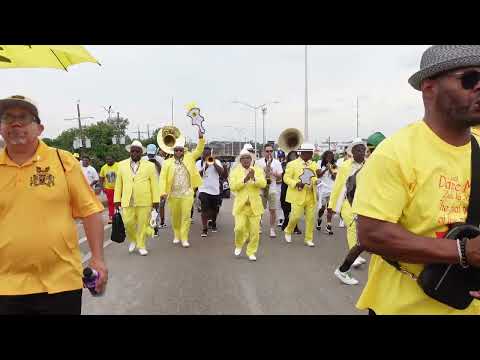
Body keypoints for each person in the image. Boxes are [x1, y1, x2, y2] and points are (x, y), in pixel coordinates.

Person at [354, 45, 480, 315]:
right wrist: (462, 251)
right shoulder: (395, 153)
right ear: (429, 88)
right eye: (469, 79)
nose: (479, 87)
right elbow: (371, 234)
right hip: (404, 308)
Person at [0, 95, 107, 314]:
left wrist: (97, 259)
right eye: (8, 118)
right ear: (1, 128)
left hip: (61, 283)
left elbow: (90, 211)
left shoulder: (63, 160)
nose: (15, 123)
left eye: (24, 117)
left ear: (39, 128)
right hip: (6, 285)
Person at [333, 132, 385, 285]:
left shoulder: (372, 164)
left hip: (374, 209)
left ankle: (343, 270)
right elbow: (344, 189)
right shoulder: (363, 169)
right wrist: (337, 208)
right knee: (366, 241)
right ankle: (343, 270)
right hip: (363, 209)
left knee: (366, 243)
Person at [328, 137, 367, 284]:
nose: (361, 151)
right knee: (351, 224)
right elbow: (338, 186)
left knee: (362, 230)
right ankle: (352, 259)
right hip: (347, 202)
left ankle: (352, 258)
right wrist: (331, 205)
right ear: (352, 152)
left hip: (364, 203)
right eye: (357, 149)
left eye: (363, 149)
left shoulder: (369, 165)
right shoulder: (344, 166)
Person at [159, 128, 205, 248]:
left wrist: (201, 138)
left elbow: (199, 150)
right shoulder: (167, 163)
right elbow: (163, 178)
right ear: (173, 151)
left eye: (180, 150)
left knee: (186, 216)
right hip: (173, 194)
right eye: (176, 150)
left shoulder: (190, 157)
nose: (179, 152)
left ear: (183, 151)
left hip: (187, 193)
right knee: (175, 217)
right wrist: (163, 192)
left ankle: (184, 238)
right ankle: (176, 235)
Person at [114, 140, 159, 256]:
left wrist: (155, 201)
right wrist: (116, 200)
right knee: (128, 223)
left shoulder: (150, 166)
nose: (134, 153)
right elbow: (118, 184)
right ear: (130, 152)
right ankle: (133, 239)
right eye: (132, 151)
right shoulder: (121, 165)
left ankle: (141, 245)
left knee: (142, 224)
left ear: (141, 153)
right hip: (127, 200)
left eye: (137, 151)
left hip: (145, 200)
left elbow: (154, 184)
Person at [229, 149, 267, 261]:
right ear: (240, 160)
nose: (246, 160)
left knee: (255, 232)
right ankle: (239, 245)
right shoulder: (235, 171)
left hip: (255, 207)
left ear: (251, 160)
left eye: (248, 158)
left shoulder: (258, 170)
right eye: (244, 158)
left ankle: (251, 251)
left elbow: (263, 184)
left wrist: (254, 178)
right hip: (241, 207)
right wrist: (245, 179)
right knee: (239, 228)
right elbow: (233, 186)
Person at [283, 143, 318, 247]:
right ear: (304, 153)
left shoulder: (313, 164)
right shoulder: (292, 164)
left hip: (311, 195)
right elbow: (286, 178)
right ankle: (288, 230)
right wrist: (296, 183)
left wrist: (316, 181)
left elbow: (314, 177)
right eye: (311, 153)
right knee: (295, 217)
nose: (312, 155)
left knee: (311, 218)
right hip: (297, 195)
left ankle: (308, 239)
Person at [256, 144, 283, 238]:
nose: (269, 153)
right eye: (267, 151)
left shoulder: (276, 162)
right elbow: (256, 176)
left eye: (271, 151)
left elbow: (280, 176)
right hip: (261, 189)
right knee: (259, 210)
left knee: (273, 210)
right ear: (263, 152)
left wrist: (272, 172)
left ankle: (272, 229)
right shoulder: (258, 162)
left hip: (272, 188)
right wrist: (264, 172)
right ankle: (259, 226)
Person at [196, 146, 224, 237]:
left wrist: (214, 163)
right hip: (203, 189)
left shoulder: (217, 162)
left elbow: (221, 172)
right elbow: (197, 176)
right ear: (202, 154)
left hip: (215, 190)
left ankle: (213, 222)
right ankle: (204, 229)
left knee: (215, 209)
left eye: (208, 154)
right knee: (204, 210)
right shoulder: (198, 163)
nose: (206, 155)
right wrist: (206, 167)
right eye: (205, 154)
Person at [143, 143, 167, 231]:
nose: (151, 156)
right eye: (149, 154)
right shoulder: (143, 159)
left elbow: (163, 173)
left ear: (155, 153)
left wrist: (156, 163)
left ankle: (158, 224)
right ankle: (152, 223)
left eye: (152, 154)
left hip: (158, 187)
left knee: (158, 206)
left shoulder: (160, 160)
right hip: (147, 187)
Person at [280, 151, 302, 235]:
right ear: (288, 157)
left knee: (294, 209)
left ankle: (294, 227)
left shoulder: (300, 165)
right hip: (285, 188)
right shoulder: (284, 164)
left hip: (295, 188)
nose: (293, 157)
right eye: (292, 156)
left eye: (295, 156)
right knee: (285, 207)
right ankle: (286, 221)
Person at [316, 150, 337, 233]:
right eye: (327, 157)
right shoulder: (319, 163)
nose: (329, 158)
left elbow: (335, 178)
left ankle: (328, 225)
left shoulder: (334, 166)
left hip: (331, 189)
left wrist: (331, 169)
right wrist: (325, 169)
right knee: (322, 208)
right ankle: (319, 219)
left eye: (331, 157)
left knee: (330, 208)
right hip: (323, 189)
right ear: (324, 157)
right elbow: (318, 175)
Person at [99, 155, 119, 224]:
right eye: (107, 160)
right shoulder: (103, 168)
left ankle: (120, 216)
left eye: (110, 159)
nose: (108, 161)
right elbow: (101, 178)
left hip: (118, 188)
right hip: (109, 188)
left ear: (113, 159)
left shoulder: (119, 165)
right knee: (110, 203)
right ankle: (111, 217)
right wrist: (102, 187)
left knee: (119, 202)